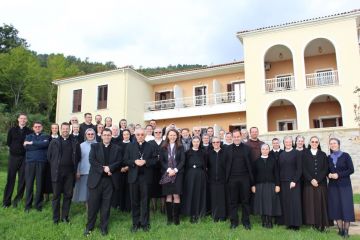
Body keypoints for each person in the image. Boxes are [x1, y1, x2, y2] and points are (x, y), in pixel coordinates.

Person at [84, 128, 122, 236]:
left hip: (109, 181)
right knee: (93, 205)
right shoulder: (95, 146)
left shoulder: (117, 148)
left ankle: (103, 227)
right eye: (104, 135)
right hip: (96, 180)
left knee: (106, 206)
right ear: (101, 136)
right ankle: (89, 227)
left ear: (111, 136)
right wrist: (103, 169)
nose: (106, 137)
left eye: (108, 135)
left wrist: (110, 168)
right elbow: (92, 160)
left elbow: (119, 161)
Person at [124, 128, 157, 232]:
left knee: (145, 201)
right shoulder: (130, 146)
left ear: (145, 135)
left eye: (142, 134)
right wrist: (134, 162)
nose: (140, 136)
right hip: (134, 177)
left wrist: (146, 162)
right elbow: (125, 160)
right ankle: (135, 223)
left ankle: (145, 223)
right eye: (138, 134)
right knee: (134, 201)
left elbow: (156, 159)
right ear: (135, 135)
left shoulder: (151, 146)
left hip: (146, 178)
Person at [47, 122, 81, 224]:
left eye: (67, 129)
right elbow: (49, 157)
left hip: (70, 173)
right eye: (63, 129)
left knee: (68, 195)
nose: (65, 130)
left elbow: (78, 157)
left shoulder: (74, 142)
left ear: (69, 129)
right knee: (56, 195)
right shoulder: (54, 142)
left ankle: (65, 217)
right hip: (57, 172)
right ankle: (56, 218)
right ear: (60, 130)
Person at [224, 129, 253, 230]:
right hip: (232, 179)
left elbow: (251, 165)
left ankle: (246, 222)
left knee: (245, 201)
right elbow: (224, 165)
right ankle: (234, 222)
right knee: (233, 201)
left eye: (238, 136)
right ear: (232, 138)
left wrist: (251, 180)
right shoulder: (227, 149)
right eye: (234, 137)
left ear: (241, 136)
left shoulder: (247, 148)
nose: (236, 138)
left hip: (245, 178)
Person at [3, 113, 32, 208]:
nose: (23, 120)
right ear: (18, 119)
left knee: (22, 180)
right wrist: (14, 149)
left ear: (26, 120)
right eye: (21, 118)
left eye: (25, 119)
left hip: (24, 158)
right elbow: (8, 142)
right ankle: (6, 202)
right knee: (10, 179)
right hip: (13, 157)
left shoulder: (29, 131)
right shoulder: (12, 130)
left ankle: (17, 200)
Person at [328, 138, 355, 238]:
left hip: (345, 186)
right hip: (333, 187)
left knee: (346, 207)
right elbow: (326, 170)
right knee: (336, 207)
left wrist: (338, 175)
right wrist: (329, 174)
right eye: (331, 143)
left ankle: (346, 232)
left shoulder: (346, 155)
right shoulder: (328, 157)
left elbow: (351, 170)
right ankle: (340, 230)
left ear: (338, 144)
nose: (333, 145)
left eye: (334, 143)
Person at [302, 136, 329, 231]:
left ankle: (321, 224)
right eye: (312, 141)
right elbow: (303, 169)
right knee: (310, 205)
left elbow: (326, 168)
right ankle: (312, 224)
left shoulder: (323, 154)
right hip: (308, 184)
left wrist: (317, 179)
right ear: (310, 143)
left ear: (318, 143)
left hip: (321, 183)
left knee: (321, 204)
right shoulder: (304, 154)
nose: (314, 143)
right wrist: (311, 180)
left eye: (316, 142)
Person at [251, 144, 281, 228]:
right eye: (263, 149)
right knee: (262, 203)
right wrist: (253, 185)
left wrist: (277, 185)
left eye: (266, 149)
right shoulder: (256, 161)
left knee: (270, 203)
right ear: (261, 150)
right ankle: (264, 221)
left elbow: (276, 174)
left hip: (271, 184)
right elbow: (253, 175)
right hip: (260, 185)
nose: (265, 150)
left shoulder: (273, 160)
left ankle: (269, 221)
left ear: (269, 150)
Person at [159, 129, 185, 225]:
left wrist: (175, 170)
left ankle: (176, 219)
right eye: (171, 135)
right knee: (169, 195)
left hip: (178, 173)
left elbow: (182, 160)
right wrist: (169, 170)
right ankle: (169, 219)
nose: (172, 137)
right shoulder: (163, 147)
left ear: (177, 136)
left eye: (174, 135)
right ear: (167, 136)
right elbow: (161, 161)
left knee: (176, 195)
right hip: (167, 173)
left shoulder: (180, 147)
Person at [24, 121, 50, 212]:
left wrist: (31, 143)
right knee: (29, 184)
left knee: (39, 184)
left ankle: (38, 205)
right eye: (36, 127)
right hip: (30, 162)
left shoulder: (46, 136)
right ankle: (28, 205)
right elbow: (27, 148)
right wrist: (38, 144)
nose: (37, 128)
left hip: (41, 162)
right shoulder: (28, 136)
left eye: (39, 126)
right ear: (33, 128)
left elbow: (45, 144)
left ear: (42, 127)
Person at [278, 136, 302, 230]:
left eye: (289, 142)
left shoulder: (297, 153)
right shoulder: (281, 154)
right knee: (286, 203)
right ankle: (289, 223)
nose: (288, 143)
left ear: (292, 142)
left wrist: (294, 180)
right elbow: (280, 169)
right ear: (284, 143)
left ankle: (296, 224)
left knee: (295, 203)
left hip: (294, 182)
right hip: (284, 182)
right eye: (286, 142)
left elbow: (299, 169)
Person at [182, 136, 207, 223]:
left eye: (198, 141)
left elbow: (206, 164)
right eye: (194, 141)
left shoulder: (203, 152)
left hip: (200, 175)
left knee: (199, 193)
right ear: (192, 142)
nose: (196, 143)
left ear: (200, 142)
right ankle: (191, 214)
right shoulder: (187, 153)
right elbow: (184, 165)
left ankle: (199, 213)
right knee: (191, 193)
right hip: (190, 176)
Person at [73, 128, 97, 206]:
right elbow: (78, 159)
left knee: (94, 192)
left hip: (95, 172)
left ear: (94, 135)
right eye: (88, 134)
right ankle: (88, 210)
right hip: (84, 171)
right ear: (85, 135)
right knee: (85, 192)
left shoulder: (98, 144)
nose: (90, 135)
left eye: (92, 134)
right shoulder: (81, 145)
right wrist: (78, 171)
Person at [207, 136, 227, 221]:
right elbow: (207, 167)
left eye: (217, 142)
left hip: (223, 180)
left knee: (222, 198)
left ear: (220, 143)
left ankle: (222, 216)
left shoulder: (225, 153)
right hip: (212, 180)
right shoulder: (209, 154)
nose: (216, 144)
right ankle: (215, 215)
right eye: (214, 142)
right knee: (214, 198)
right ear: (212, 144)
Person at [149, 127, 165, 213]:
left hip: (163, 169)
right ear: (153, 133)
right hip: (152, 169)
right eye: (156, 132)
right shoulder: (149, 143)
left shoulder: (165, 143)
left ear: (162, 133)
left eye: (159, 132)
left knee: (163, 187)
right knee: (153, 187)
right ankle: (153, 207)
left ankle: (163, 207)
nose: (158, 133)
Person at [116, 129, 131, 212]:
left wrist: (128, 167)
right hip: (120, 170)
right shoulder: (118, 145)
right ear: (122, 135)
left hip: (130, 169)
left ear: (130, 135)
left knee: (129, 188)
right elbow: (117, 158)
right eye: (124, 134)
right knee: (121, 187)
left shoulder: (133, 144)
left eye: (127, 134)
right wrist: (120, 168)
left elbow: (134, 157)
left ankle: (128, 206)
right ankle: (121, 206)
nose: (126, 136)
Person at [44, 123, 59, 201]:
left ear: (58, 129)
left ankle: (55, 195)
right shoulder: (47, 138)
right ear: (51, 129)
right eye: (53, 128)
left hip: (57, 163)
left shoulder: (60, 138)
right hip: (48, 162)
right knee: (47, 179)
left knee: (55, 180)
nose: (54, 130)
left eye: (56, 128)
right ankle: (46, 196)